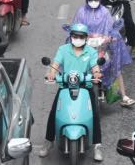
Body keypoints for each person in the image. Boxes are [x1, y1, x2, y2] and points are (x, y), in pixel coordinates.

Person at [39, 24, 104, 161]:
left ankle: (97, 145)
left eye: (81, 36)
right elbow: (55, 65)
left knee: (94, 114)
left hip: (85, 86)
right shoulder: (63, 49)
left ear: (86, 38)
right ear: (71, 37)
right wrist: (51, 74)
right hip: (65, 86)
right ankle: (48, 141)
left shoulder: (91, 52)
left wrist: (97, 74)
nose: (78, 39)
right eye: (75, 36)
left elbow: (95, 66)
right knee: (53, 113)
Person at [68, 0, 135, 106]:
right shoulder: (81, 12)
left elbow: (110, 27)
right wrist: (83, 36)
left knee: (115, 67)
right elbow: (77, 27)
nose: (93, 1)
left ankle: (124, 96)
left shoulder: (104, 12)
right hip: (86, 44)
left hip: (102, 45)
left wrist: (110, 37)